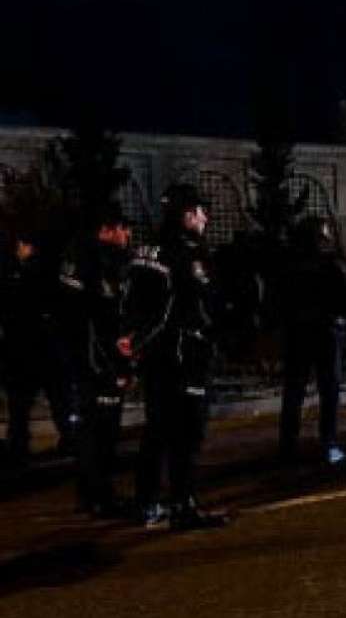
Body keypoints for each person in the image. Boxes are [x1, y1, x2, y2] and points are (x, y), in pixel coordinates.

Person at [122, 184, 229, 529]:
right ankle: (184, 505)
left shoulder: (146, 248)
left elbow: (130, 301)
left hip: (155, 356)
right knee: (186, 434)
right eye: (200, 211)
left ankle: (147, 503)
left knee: (157, 431)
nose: (205, 217)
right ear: (186, 215)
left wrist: (134, 342)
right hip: (183, 355)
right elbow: (191, 305)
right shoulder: (186, 252)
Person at [54, 207, 134, 514]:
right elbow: (93, 321)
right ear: (107, 229)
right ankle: (98, 496)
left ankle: (94, 494)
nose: (127, 236)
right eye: (122, 229)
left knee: (96, 430)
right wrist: (109, 366)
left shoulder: (88, 257)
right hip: (96, 362)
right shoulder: (94, 262)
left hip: (90, 359)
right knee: (100, 431)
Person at [278, 216, 346, 465]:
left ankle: (288, 446)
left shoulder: (289, 265)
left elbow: (277, 301)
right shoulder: (331, 264)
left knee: (293, 391)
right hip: (326, 334)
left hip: (297, 334)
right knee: (329, 391)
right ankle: (328, 444)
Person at [2, 230, 77, 472]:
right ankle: (71, 440)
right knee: (60, 401)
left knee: (20, 405)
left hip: (24, 349)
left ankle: (18, 448)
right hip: (48, 348)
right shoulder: (49, 273)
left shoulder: (19, 274)